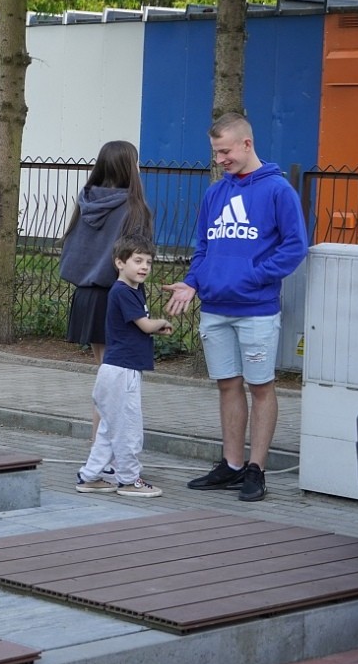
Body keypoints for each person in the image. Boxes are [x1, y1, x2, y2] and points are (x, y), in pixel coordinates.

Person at [163, 112, 307, 502]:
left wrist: (253, 276)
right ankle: (231, 464)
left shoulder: (278, 191)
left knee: (260, 386)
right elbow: (204, 247)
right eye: (215, 152)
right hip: (215, 307)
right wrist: (193, 283)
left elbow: (294, 248)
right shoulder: (215, 192)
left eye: (225, 151)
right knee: (227, 385)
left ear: (246, 143)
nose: (220, 159)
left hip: (256, 308)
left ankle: (256, 470)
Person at [59, 140, 153, 458]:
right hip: (119, 298)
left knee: (105, 374)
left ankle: (99, 444)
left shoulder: (86, 201)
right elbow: (136, 260)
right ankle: (107, 451)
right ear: (130, 167)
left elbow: (72, 249)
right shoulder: (133, 208)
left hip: (86, 295)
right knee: (119, 380)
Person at [76, 235, 173, 498]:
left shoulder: (131, 290)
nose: (144, 267)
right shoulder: (123, 291)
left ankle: (90, 475)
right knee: (128, 429)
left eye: (149, 262)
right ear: (120, 263)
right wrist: (161, 322)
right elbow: (143, 324)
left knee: (108, 428)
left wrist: (155, 327)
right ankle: (129, 480)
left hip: (114, 370)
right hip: (122, 372)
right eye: (137, 261)